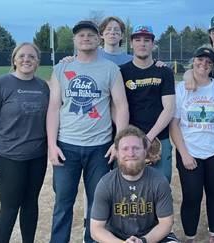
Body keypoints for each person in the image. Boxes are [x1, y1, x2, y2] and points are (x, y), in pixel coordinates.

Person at [47, 20, 129, 243]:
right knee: (63, 202)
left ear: (98, 39)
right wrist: (52, 145)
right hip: (67, 146)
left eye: (90, 35)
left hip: (100, 148)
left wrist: (118, 142)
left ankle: (92, 239)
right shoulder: (62, 68)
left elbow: (121, 106)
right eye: (81, 35)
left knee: (98, 203)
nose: (86, 38)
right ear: (74, 40)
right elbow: (54, 107)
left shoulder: (110, 69)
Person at [170, 47, 214, 243]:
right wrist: (184, 154)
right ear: (193, 61)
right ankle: (190, 235)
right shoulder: (182, 88)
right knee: (191, 196)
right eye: (200, 60)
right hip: (190, 152)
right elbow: (174, 124)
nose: (204, 64)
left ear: (213, 66)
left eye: (208, 62)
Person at [0, 43, 49, 243]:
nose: (26, 59)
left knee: (31, 204)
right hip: (7, 157)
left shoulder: (42, 86)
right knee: (10, 207)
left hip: (37, 156)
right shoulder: (0, 84)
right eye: (21, 56)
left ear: (38, 61)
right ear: (14, 60)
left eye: (31, 56)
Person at [90, 125, 178, 243]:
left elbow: (166, 224)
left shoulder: (159, 181)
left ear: (145, 151)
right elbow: (96, 229)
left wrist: (143, 241)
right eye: (125, 149)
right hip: (116, 237)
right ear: (116, 152)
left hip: (151, 236)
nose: (131, 153)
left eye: (136, 148)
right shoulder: (106, 184)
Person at [120, 25, 176, 183]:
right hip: (130, 138)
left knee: (161, 186)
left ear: (153, 44)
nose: (142, 44)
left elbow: (169, 108)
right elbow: (117, 107)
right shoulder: (121, 72)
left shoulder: (164, 72)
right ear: (131, 43)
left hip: (159, 138)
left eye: (147, 40)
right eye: (137, 40)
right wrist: (135, 138)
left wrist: (148, 138)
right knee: (130, 187)